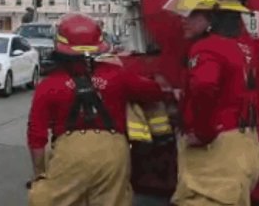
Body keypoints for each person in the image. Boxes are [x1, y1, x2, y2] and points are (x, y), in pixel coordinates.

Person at [26, 13, 165, 206]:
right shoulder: (117, 75)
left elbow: (36, 137)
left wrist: (40, 174)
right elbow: (155, 92)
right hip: (113, 153)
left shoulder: (48, 85)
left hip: (70, 155)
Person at [163, 0, 259, 206]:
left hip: (216, 151)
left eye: (194, 13)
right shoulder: (245, 47)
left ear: (214, 17)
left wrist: (203, 132)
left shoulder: (206, 47)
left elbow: (204, 85)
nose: (183, 19)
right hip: (247, 147)